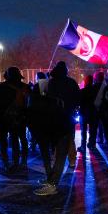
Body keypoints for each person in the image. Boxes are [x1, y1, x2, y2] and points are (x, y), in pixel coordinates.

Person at [34, 61, 80, 196]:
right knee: (60, 154)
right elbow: (78, 100)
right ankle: (52, 182)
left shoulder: (50, 83)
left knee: (57, 153)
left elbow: (44, 99)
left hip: (52, 122)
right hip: (66, 121)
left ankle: (52, 182)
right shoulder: (71, 83)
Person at [2, 67, 30, 169]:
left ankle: (15, 161)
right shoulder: (25, 87)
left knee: (13, 139)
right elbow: (29, 103)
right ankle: (24, 160)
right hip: (22, 116)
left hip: (10, 116)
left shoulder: (4, 87)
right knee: (23, 138)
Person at [78, 74, 99, 151]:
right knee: (93, 130)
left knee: (83, 131)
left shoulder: (82, 91)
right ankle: (92, 144)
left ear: (86, 81)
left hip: (83, 113)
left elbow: (79, 102)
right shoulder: (96, 91)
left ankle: (83, 146)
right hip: (93, 112)